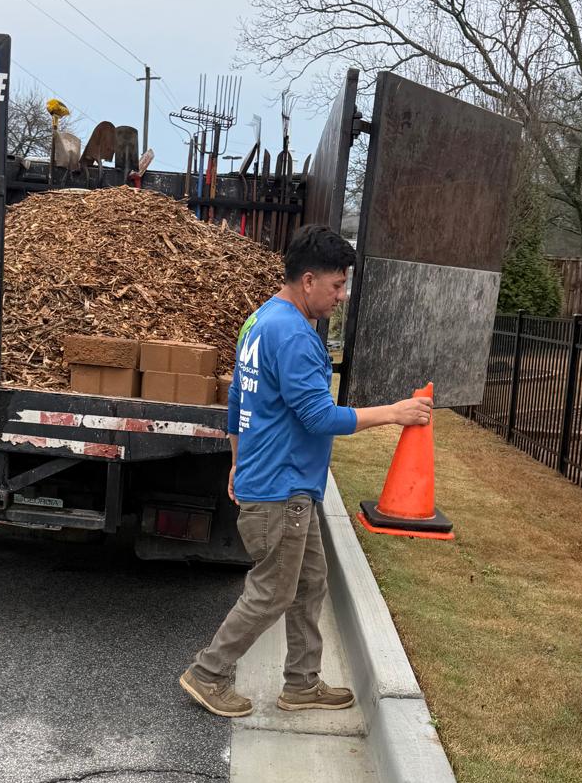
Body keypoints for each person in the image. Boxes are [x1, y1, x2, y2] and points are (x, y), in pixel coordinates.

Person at [179, 224, 432, 719]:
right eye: (337, 285)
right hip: (282, 488)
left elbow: (238, 402)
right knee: (273, 592)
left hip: (281, 482)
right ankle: (208, 673)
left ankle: (301, 684)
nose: (342, 296)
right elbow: (318, 417)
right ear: (309, 280)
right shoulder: (294, 334)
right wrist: (394, 413)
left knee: (311, 581)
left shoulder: (259, 320)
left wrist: (238, 460)